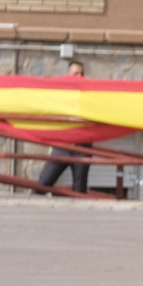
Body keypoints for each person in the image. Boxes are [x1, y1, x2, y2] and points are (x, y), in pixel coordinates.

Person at [35, 61, 91, 194]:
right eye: (75, 73)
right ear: (67, 75)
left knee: (79, 191)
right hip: (62, 146)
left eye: (82, 74)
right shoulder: (60, 93)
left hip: (82, 148)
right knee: (43, 184)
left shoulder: (90, 94)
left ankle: (80, 215)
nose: (79, 76)